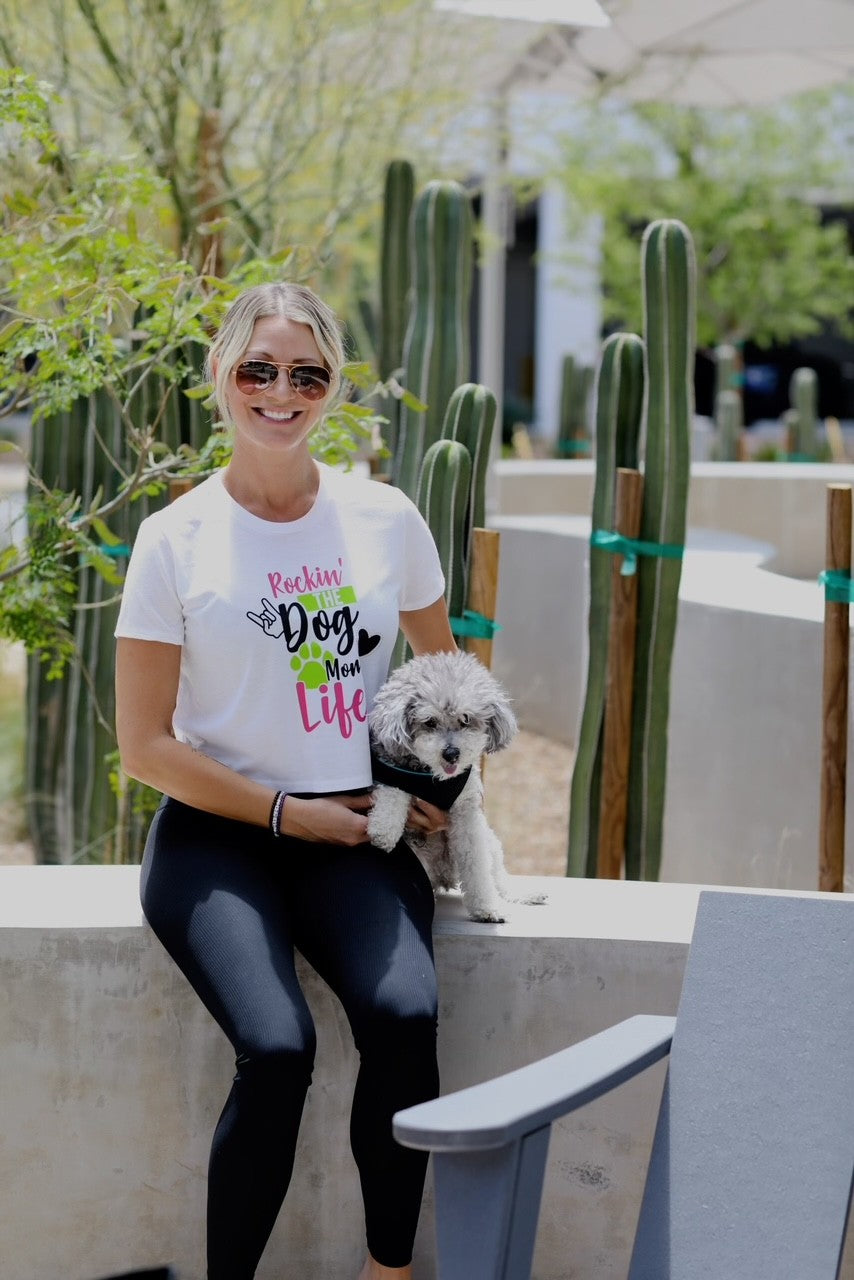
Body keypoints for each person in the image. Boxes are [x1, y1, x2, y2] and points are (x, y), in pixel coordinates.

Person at [114, 281, 456, 1280]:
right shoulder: (174, 538)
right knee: (277, 1046)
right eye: (257, 369)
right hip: (216, 836)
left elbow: (445, 676)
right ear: (220, 375)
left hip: (354, 829)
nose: (280, 392)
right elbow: (145, 746)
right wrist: (284, 814)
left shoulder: (384, 517)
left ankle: (387, 1271)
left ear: (332, 387)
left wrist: (431, 785)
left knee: (404, 1018)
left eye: (306, 374)